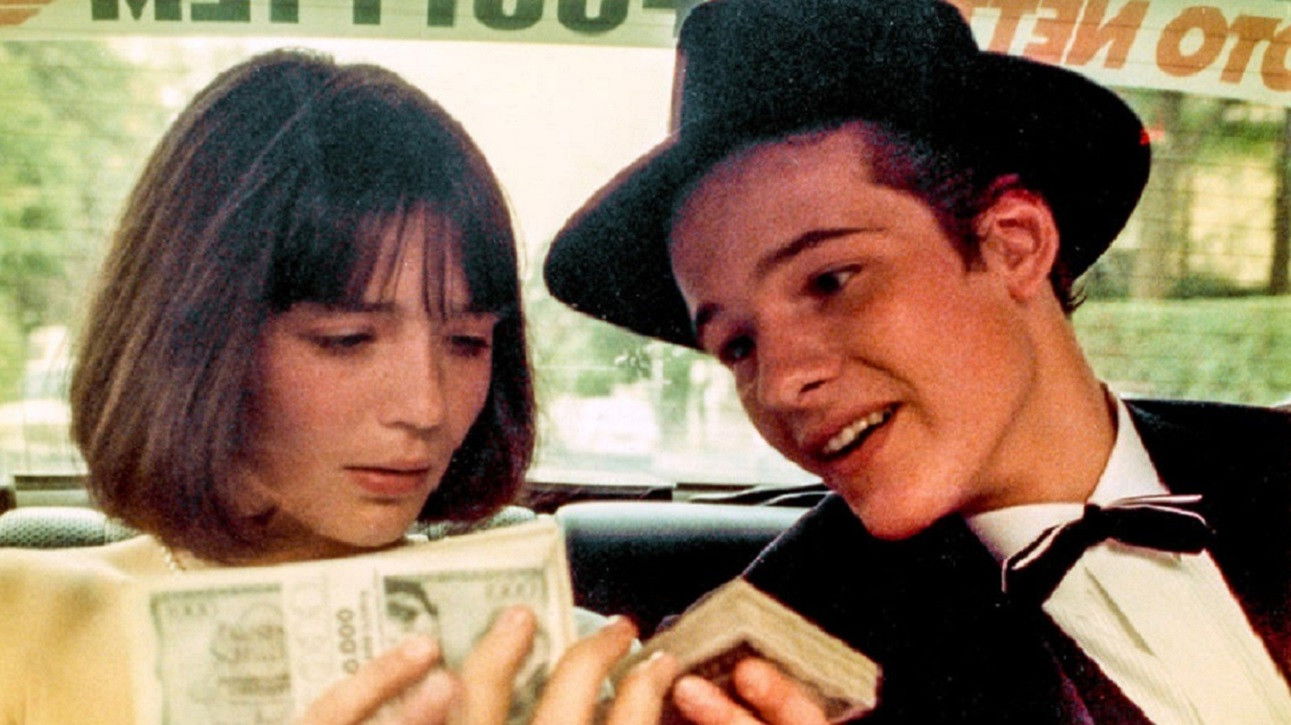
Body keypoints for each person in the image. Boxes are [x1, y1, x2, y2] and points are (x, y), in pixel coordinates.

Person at [544, 0, 1291, 721]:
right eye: (738, 345)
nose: (779, 384)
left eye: (831, 281)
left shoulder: (1273, 461)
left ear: (1014, 243)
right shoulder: (769, 672)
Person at [0, 49, 681, 725]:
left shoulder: (577, 666)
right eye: (346, 339)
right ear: (191, 338)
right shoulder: (20, 618)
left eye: (468, 342)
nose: (427, 407)